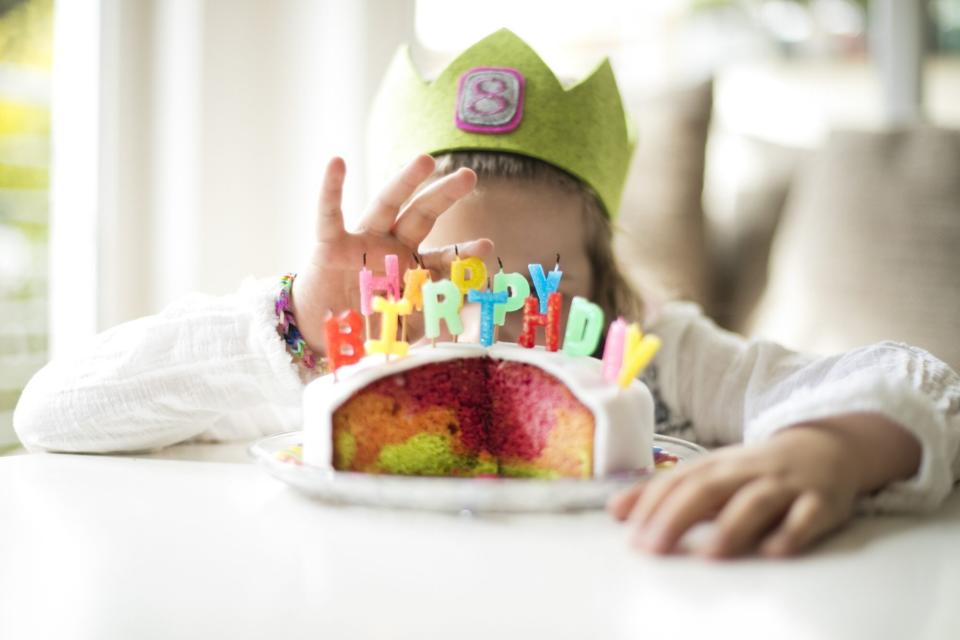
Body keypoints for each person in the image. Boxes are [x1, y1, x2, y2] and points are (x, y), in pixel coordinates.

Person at [14, 30, 960, 559]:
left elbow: (914, 380)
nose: (485, 328)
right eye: (444, 284)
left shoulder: (658, 354)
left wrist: (835, 446)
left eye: (530, 291)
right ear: (385, 290)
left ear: (605, 290)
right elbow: (56, 412)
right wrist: (298, 325)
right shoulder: (340, 359)